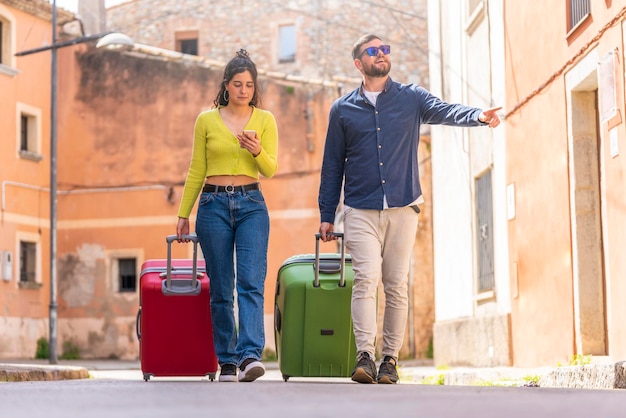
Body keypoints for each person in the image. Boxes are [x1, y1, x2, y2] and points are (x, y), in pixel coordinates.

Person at [318, 34, 501, 384]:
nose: (381, 55)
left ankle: (389, 360)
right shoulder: (342, 109)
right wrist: (327, 214)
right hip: (360, 208)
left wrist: (477, 115)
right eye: (373, 51)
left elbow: (446, 111)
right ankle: (365, 357)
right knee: (366, 281)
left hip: (403, 206)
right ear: (358, 62)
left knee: (396, 284)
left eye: (385, 49)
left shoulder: (411, 98)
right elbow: (332, 165)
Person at [176, 49, 278, 383]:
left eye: (249, 84)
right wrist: (183, 213)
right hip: (212, 205)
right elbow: (196, 169)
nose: (243, 90)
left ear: (254, 87)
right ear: (226, 85)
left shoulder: (265, 120)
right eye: (237, 84)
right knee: (221, 288)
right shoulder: (206, 120)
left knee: (250, 282)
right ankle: (228, 360)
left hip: (252, 204)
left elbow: (271, 169)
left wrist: (257, 150)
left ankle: (250, 356)